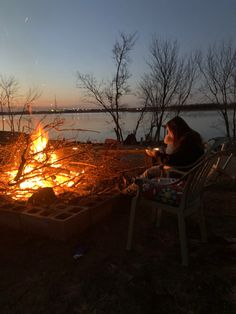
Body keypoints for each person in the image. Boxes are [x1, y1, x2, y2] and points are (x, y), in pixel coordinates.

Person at [120, 116, 205, 197]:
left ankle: (127, 192)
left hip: (181, 175)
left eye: (169, 131)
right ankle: (135, 183)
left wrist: (155, 154)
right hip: (190, 172)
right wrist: (164, 151)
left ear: (175, 130)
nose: (168, 134)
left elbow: (172, 160)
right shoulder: (192, 137)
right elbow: (180, 157)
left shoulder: (187, 141)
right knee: (156, 169)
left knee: (149, 172)